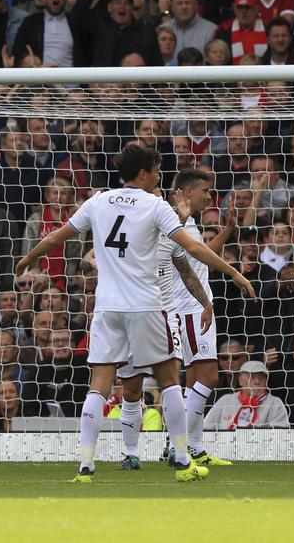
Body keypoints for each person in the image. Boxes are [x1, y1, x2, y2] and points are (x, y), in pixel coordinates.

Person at [14, 144, 256, 483]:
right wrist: (234, 272)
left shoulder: (98, 201)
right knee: (169, 381)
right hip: (145, 307)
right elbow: (192, 248)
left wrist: (28, 258)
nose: (159, 176)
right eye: (156, 170)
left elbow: (57, 236)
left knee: (98, 385)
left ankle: (85, 466)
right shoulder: (155, 206)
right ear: (143, 173)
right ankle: (182, 459)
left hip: (107, 308)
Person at [117, 169, 236, 470]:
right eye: (205, 191)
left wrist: (228, 230)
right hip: (186, 308)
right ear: (186, 192)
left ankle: (191, 446)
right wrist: (234, 274)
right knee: (207, 377)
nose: (209, 196)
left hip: (194, 306)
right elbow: (189, 256)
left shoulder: (188, 223)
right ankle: (177, 445)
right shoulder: (170, 221)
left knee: (193, 382)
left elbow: (201, 255)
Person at [205, 361, 290, 430]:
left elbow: (281, 436)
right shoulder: (225, 400)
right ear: (241, 380)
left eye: (261, 378)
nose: (257, 381)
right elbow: (205, 428)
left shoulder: (275, 403)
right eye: (252, 377)